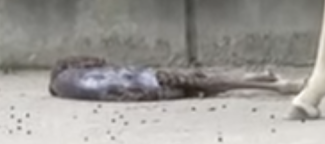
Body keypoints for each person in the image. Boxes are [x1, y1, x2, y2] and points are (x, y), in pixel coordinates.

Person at [48, 55, 304, 102]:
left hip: (139, 91)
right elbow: (106, 66)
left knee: (202, 85)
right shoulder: (71, 72)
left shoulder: (64, 84)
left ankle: (259, 77)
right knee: (205, 84)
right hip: (142, 83)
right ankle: (277, 86)